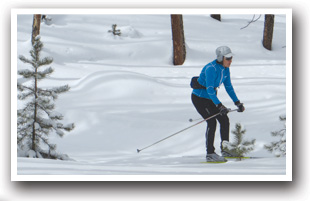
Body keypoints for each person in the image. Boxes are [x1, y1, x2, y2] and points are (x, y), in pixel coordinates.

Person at [191, 46, 245, 162]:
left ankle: (225, 149)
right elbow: (210, 90)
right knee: (212, 122)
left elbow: (229, 87)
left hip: (210, 98)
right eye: (228, 58)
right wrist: (220, 106)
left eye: (231, 58)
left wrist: (237, 102)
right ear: (221, 58)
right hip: (199, 98)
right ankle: (210, 153)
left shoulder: (225, 69)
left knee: (224, 119)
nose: (231, 61)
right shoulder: (211, 68)